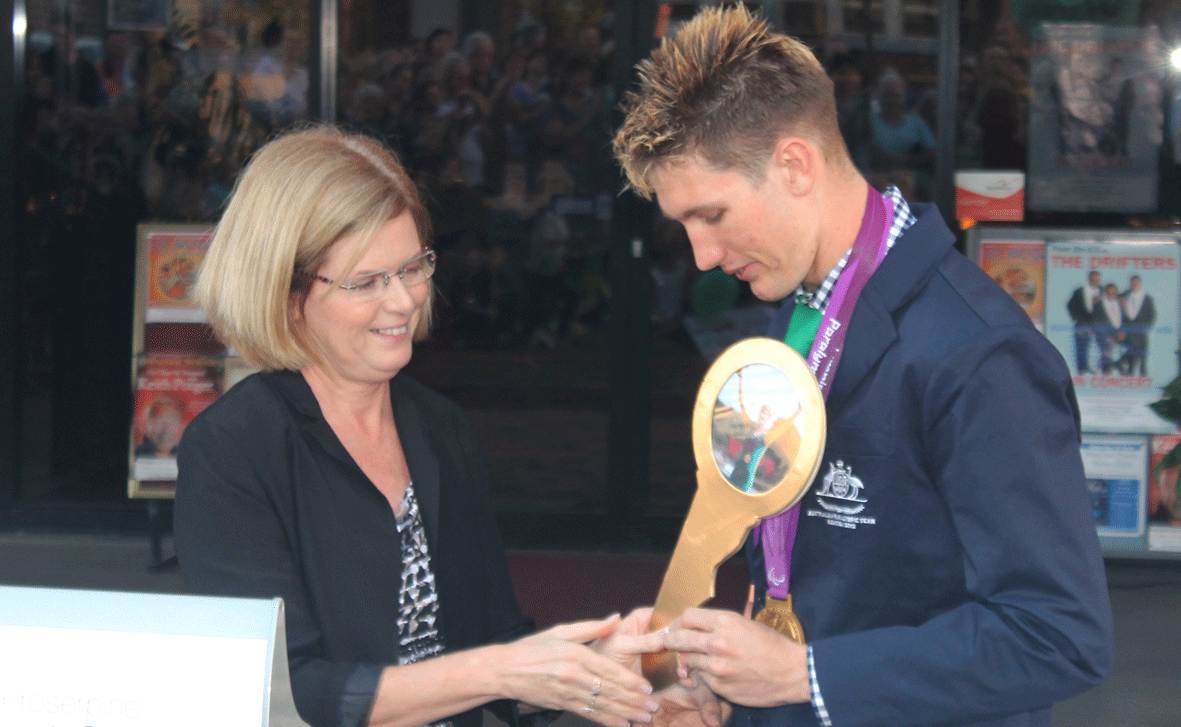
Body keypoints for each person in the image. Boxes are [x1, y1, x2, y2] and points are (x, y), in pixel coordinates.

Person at [612, 6, 1112, 727]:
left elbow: (1058, 634)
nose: (703, 256)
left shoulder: (978, 353)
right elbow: (813, 570)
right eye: (683, 224)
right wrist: (726, 683)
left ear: (794, 165)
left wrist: (805, 675)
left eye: (712, 215)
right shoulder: (800, 307)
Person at [173, 126, 664, 727]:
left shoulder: (440, 428)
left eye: (412, 268)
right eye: (366, 281)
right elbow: (285, 691)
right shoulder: (233, 449)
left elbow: (494, 642)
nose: (404, 300)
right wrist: (500, 671)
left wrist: (595, 667)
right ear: (287, 294)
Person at [1067, 270, 1102, 373]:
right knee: (1082, 345)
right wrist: (1076, 317)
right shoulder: (1079, 291)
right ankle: (1082, 368)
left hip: (1099, 323)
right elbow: (1070, 304)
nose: (1095, 281)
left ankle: (1102, 368)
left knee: (1104, 345)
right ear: (1089, 279)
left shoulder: (1103, 291)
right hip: (1083, 322)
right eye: (1093, 279)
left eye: (1097, 279)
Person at [1120, 274, 1155, 375]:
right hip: (1129, 331)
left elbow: (1152, 314)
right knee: (1131, 356)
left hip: (1141, 331)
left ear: (1139, 284)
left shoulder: (1147, 298)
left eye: (1136, 283)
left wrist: (1146, 326)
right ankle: (1129, 374)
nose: (1134, 285)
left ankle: (1143, 375)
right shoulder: (1124, 296)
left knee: (1142, 356)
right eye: (1132, 283)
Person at [1094, 282, 1125, 375]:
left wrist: (1122, 331)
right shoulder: (1099, 305)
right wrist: (1107, 336)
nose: (1111, 294)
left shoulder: (1121, 303)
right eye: (1109, 292)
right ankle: (1105, 371)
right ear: (1105, 292)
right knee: (1107, 353)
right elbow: (1097, 322)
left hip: (1119, 334)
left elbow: (1124, 318)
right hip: (1105, 335)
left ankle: (1117, 366)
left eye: (1113, 292)